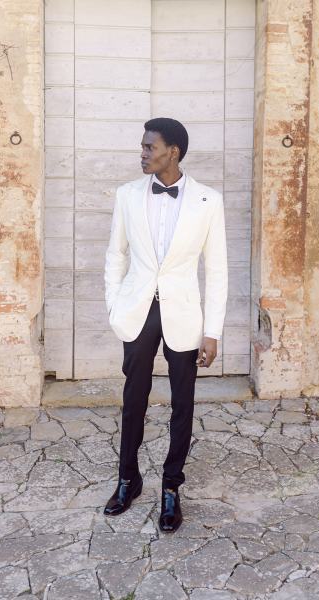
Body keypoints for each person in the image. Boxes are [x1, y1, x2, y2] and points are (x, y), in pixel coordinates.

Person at [103, 117, 228, 532]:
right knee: (133, 398)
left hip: (184, 315)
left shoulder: (209, 201)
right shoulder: (127, 195)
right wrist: (114, 305)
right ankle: (128, 479)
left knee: (182, 404)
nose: (142, 154)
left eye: (148, 148)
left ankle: (171, 487)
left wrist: (213, 330)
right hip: (138, 312)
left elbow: (218, 269)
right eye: (142, 147)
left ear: (172, 151)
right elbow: (115, 255)